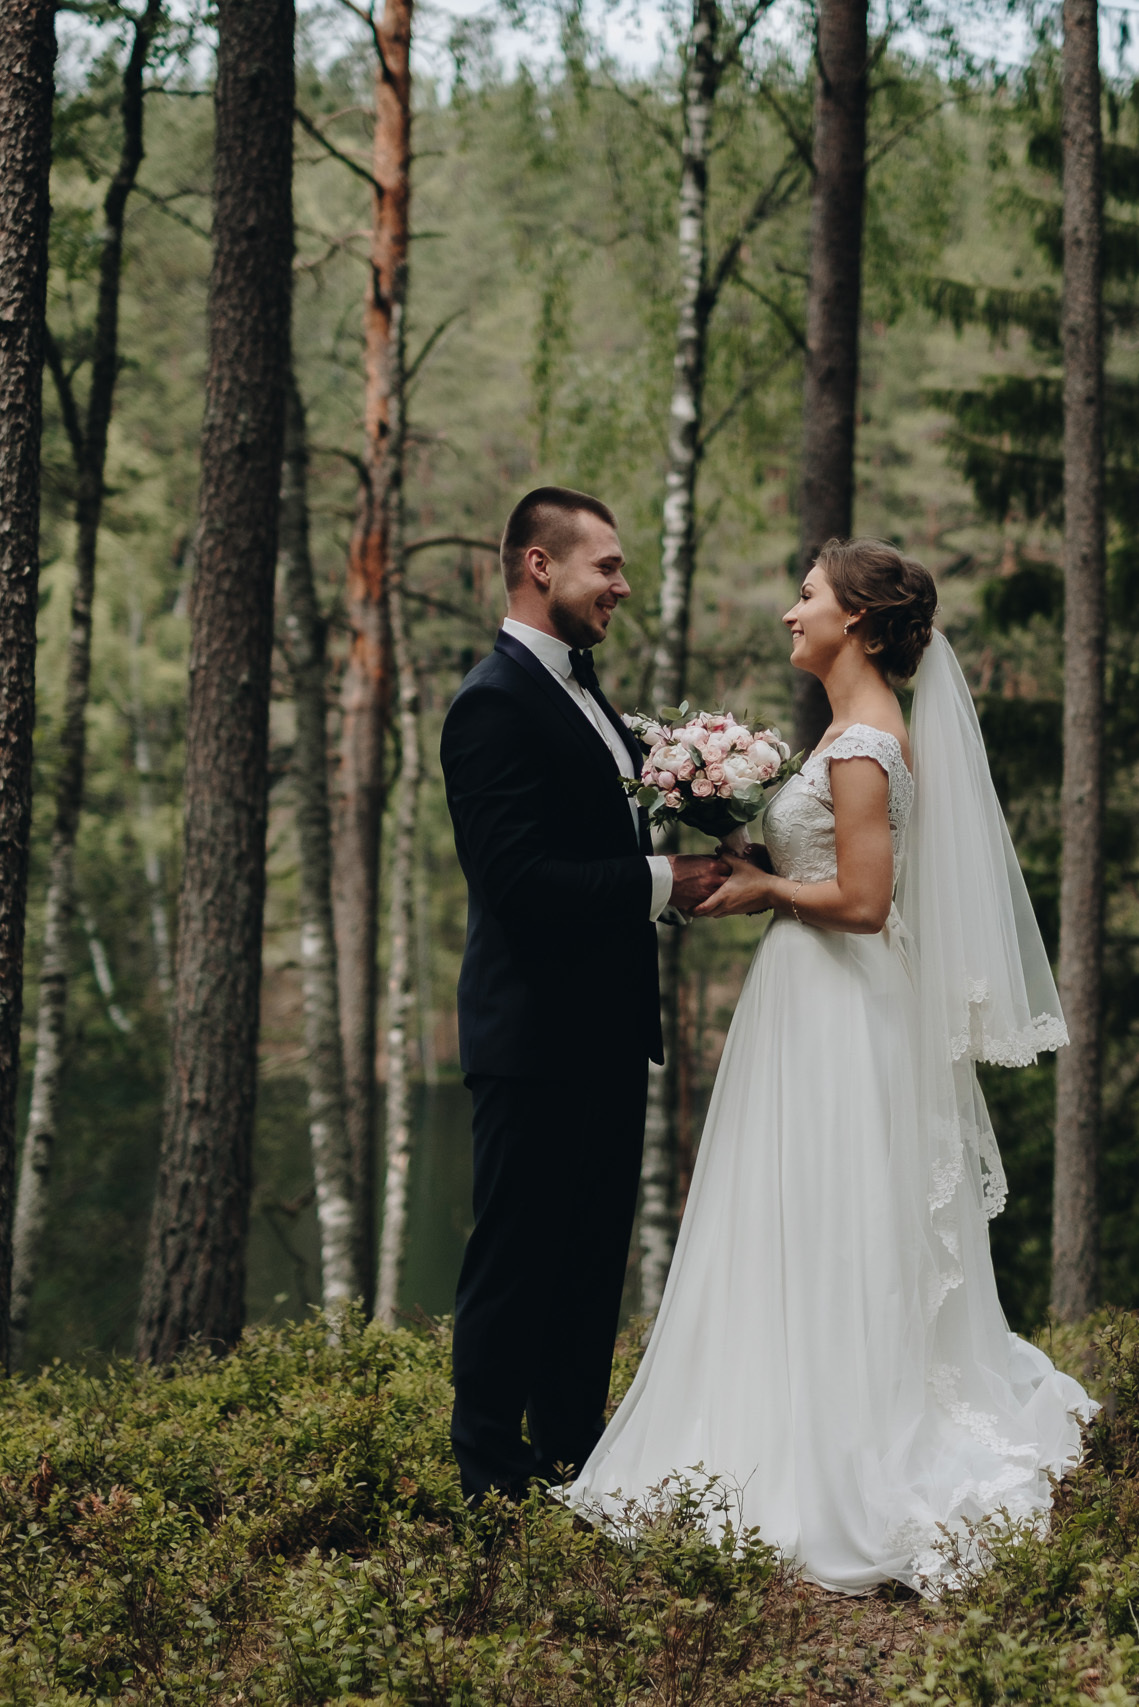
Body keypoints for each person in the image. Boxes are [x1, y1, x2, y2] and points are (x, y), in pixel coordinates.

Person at [559, 537, 1096, 1596]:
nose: (789, 613)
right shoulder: (851, 735)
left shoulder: (863, 743)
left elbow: (862, 904)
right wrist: (756, 861)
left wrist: (764, 894)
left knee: (833, 1212)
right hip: (813, 1004)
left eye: (804, 596)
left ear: (854, 617)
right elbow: (835, 874)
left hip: (842, 1006)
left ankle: (837, 1450)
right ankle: (786, 1417)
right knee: (803, 1213)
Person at [438, 486, 730, 1507]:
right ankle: (488, 1473)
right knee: (516, 1258)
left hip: (606, 1033)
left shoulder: (587, 694)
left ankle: (572, 1455)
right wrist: (661, 886)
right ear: (538, 567)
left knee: (588, 1261)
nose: (621, 583)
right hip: (530, 1038)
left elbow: (597, 837)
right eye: (604, 565)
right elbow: (515, 884)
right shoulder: (491, 703)